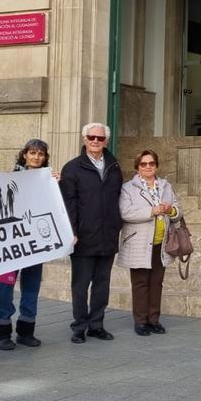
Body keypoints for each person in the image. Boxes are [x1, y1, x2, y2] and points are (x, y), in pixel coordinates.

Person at [60, 122, 123, 344]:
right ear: (84, 139)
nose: (95, 141)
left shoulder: (114, 166)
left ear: (106, 141)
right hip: (83, 237)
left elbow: (117, 199)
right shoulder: (72, 168)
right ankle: (79, 326)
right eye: (91, 137)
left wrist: (117, 226)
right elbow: (68, 204)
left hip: (107, 235)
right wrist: (72, 231)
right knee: (80, 285)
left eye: (100, 138)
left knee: (102, 284)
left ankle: (97, 325)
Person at [0, 139, 54, 351]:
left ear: (45, 157)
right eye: (32, 153)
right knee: (4, 288)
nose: (36, 157)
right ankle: (2, 332)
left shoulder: (50, 180)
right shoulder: (9, 179)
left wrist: (57, 184)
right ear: (24, 155)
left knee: (31, 286)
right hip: (11, 241)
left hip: (35, 241)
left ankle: (26, 331)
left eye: (41, 154)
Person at [118, 150, 181, 337]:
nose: (148, 167)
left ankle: (154, 320)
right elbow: (126, 213)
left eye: (151, 163)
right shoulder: (128, 188)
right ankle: (140, 321)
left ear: (156, 165)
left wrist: (171, 210)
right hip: (138, 242)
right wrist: (151, 211)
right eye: (143, 164)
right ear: (137, 167)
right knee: (140, 283)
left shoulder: (165, 185)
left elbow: (179, 211)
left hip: (161, 243)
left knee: (156, 283)